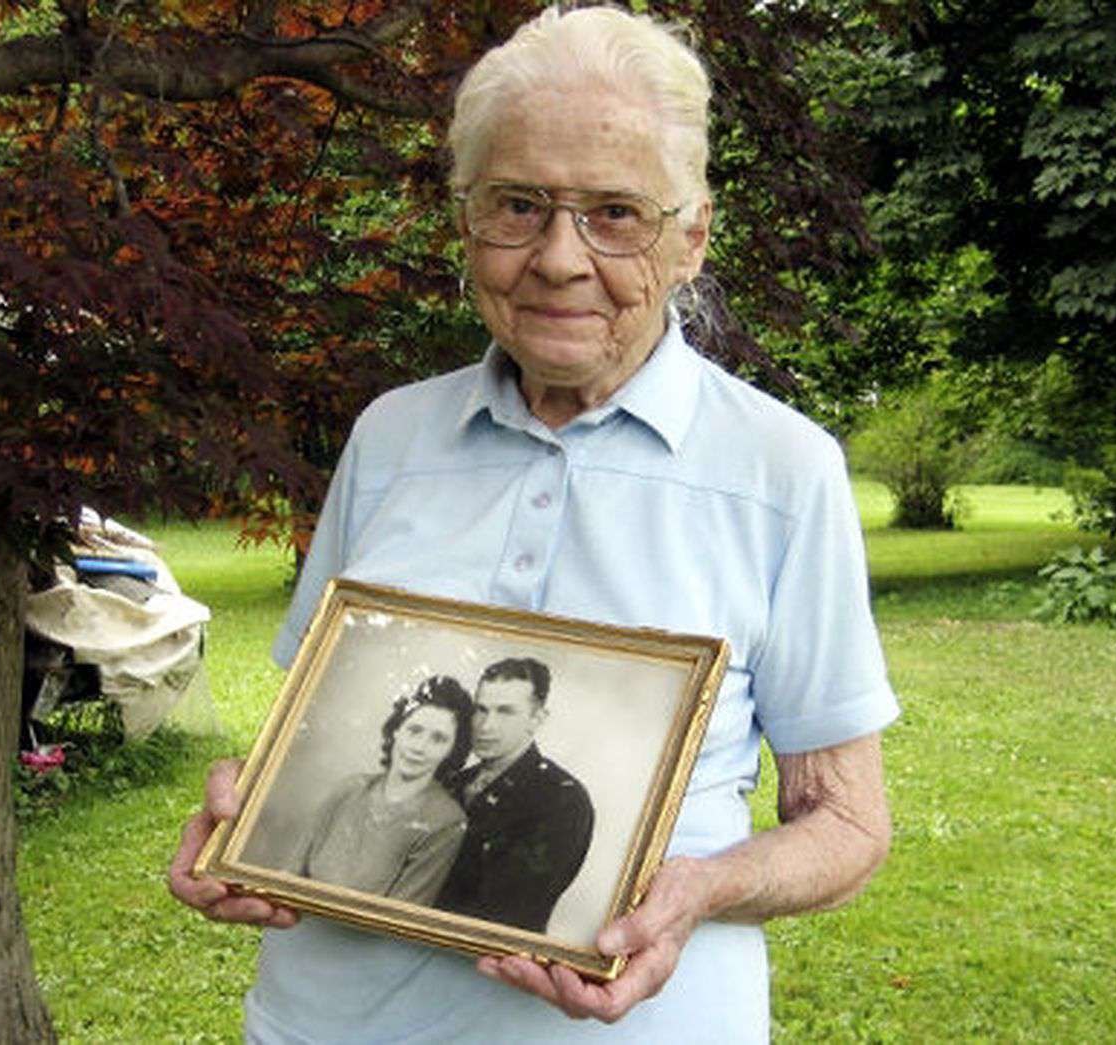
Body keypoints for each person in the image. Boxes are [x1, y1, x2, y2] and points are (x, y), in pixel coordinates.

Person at [170, 6, 898, 1040]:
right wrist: (244, 817)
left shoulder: (782, 471)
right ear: (465, 222)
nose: (558, 258)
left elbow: (847, 825)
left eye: (614, 213)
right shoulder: (390, 436)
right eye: (518, 206)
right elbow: (312, 740)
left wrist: (694, 889)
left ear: (689, 236)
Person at [279, 675, 474, 904]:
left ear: (452, 750)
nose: (419, 747)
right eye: (414, 731)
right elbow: (290, 872)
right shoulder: (350, 788)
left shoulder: (446, 821)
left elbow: (401, 914)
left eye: (438, 739)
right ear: (396, 731)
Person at [433, 657, 594, 932]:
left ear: (537, 719)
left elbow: (509, 913)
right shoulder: (454, 782)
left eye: (505, 712)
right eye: (480, 709)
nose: (485, 726)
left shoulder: (562, 800)